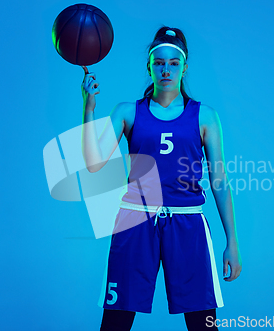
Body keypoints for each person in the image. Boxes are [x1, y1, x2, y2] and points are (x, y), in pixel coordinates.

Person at [81, 26, 242, 331]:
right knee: (115, 321)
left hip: (187, 223)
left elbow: (219, 181)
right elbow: (93, 164)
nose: (166, 69)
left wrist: (232, 241)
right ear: (149, 67)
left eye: (173, 63)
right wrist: (89, 107)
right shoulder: (128, 111)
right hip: (136, 220)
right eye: (159, 62)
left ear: (184, 67)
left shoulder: (204, 116)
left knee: (202, 324)